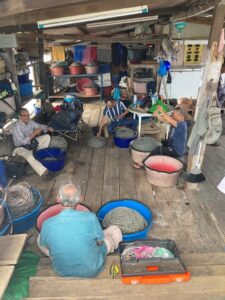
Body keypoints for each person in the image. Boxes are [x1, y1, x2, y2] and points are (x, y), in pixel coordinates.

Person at [38, 183, 122, 278]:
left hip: (62, 270)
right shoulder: (90, 217)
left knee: (40, 238)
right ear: (80, 199)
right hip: (91, 270)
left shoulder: (47, 223)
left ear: (58, 199)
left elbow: (44, 245)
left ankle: (60, 256)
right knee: (115, 229)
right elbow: (99, 242)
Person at [12, 108, 54, 176]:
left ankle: (39, 154)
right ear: (19, 116)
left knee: (47, 137)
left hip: (31, 143)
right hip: (21, 147)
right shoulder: (16, 127)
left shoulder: (29, 121)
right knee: (29, 157)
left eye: (28, 115)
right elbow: (23, 142)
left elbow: (39, 126)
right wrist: (34, 134)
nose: (27, 117)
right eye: (24, 115)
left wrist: (47, 128)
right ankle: (44, 172)